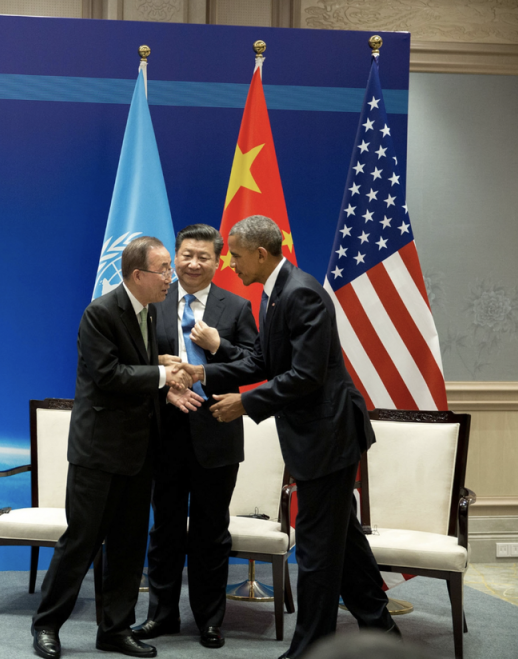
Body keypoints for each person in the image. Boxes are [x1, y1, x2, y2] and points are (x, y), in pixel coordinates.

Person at [201, 215, 399, 659]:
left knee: (316, 552)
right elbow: (264, 363)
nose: (229, 264)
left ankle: (309, 649)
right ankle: (381, 628)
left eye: (234, 255)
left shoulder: (301, 291)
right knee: (341, 541)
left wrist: (245, 404)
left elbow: (306, 376)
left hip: (328, 437)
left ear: (260, 253)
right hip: (315, 437)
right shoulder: (275, 294)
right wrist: (205, 372)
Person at [32, 236, 193, 659]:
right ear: (138, 274)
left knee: (128, 544)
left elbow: (134, 363)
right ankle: (47, 625)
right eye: (164, 270)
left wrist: (159, 365)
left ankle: (115, 629)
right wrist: (162, 377)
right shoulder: (100, 313)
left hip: (139, 453)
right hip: (99, 452)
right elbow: (108, 375)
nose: (169, 278)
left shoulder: (151, 311)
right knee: (81, 542)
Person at [132, 224, 257, 649]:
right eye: (186, 255)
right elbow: (139, 362)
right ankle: (161, 617)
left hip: (217, 432)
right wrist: (166, 385)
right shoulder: (154, 302)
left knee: (210, 532)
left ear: (218, 261)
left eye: (203, 256)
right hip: (165, 433)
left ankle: (209, 620)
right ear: (176, 257)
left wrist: (219, 346)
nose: (192, 263)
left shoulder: (236, 307)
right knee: (164, 529)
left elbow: (257, 364)